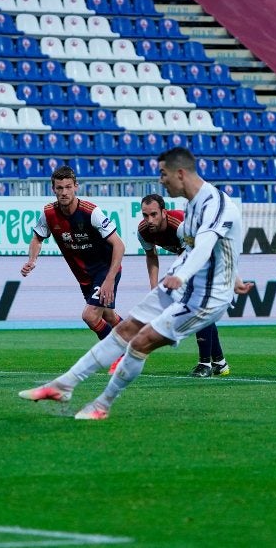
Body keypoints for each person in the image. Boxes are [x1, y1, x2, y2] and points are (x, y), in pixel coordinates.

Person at [18, 147, 253, 420]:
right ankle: (63, 385)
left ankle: (102, 405)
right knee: (125, 328)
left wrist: (185, 275)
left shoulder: (215, 204)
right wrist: (232, 275)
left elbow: (206, 246)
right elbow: (213, 247)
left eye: (164, 174)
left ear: (180, 173)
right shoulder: (193, 205)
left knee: (141, 341)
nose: (161, 180)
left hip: (205, 295)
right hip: (176, 284)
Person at [21, 165, 125, 368]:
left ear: (76, 187)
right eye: (59, 188)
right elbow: (37, 238)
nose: (64, 192)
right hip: (84, 276)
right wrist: (32, 260)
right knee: (108, 315)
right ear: (53, 189)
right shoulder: (49, 213)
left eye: (68, 187)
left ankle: (118, 356)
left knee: (89, 315)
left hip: (106, 270)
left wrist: (110, 279)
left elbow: (119, 245)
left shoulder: (91, 212)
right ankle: (135, 342)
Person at [138, 193, 231, 377]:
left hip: (211, 254)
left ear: (164, 212)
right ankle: (219, 363)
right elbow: (151, 256)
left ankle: (205, 364)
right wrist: (154, 287)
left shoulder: (181, 226)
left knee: (197, 307)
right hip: (192, 256)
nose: (149, 220)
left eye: (154, 214)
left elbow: (194, 255)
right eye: (145, 215)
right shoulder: (143, 231)